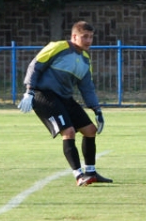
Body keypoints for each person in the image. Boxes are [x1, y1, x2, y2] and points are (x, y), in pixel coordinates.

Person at [17, 21, 112, 186]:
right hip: (44, 95)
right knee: (68, 132)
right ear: (74, 36)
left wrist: (97, 109)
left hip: (64, 98)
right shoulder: (58, 47)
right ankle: (79, 176)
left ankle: (91, 172)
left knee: (90, 130)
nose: (89, 41)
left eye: (91, 37)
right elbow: (35, 66)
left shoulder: (85, 59)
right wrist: (29, 91)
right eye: (85, 37)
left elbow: (87, 87)